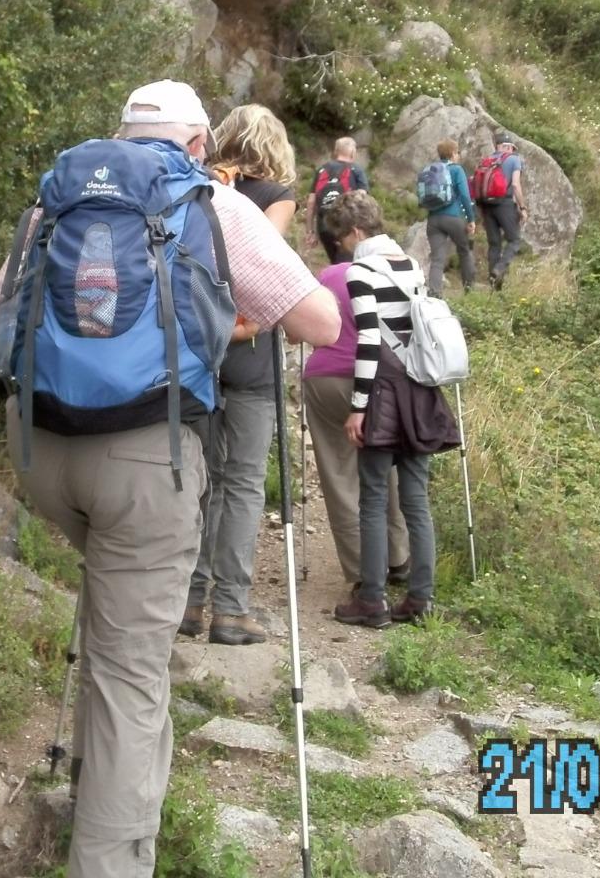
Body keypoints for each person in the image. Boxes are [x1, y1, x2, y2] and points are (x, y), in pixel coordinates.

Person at [0, 79, 338, 878]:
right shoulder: (214, 205)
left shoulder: (54, 203)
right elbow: (320, 321)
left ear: (120, 135)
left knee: (114, 628)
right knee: (129, 673)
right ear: (199, 145)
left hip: (40, 451)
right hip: (144, 458)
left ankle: (95, 789)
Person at [181, 105, 298, 646]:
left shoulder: (199, 187)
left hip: (201, 349)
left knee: (202, 478)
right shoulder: (276, 196)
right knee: (245, 482)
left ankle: (189, 602)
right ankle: (230, 611)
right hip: (250, 353)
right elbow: (263, 266)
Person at [326, 191, 460, 629]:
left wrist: (358, 407)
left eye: (343, 238)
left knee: (373, 497)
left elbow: (369, 341)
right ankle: (421, 598)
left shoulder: (361, 271)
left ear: (356, 232)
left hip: (383, 391)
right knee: (416, 500)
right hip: (419, 388)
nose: (343, 247)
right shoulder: (411, 265)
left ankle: (372, 599)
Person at [302, 251, 413, 597]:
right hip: (380, 378)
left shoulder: (327, 276)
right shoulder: (392, 273)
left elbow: (302, 329)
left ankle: (364, 573)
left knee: (340, 475)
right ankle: (399, 557)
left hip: (326, 378)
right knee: (385, 467)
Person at [474, 130, 528, 291]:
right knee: (514, 240)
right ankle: (499, 269)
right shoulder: (514, 159)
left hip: (486, 205)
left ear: (497, 146)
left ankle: (495, 287)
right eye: (511, 147)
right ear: (509, 147)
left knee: (494, 244)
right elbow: (516, 185)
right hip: (504, 204)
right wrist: (522, 207)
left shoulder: (487, 160)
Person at [424, 138, 478, 298]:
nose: (458, 155)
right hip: (453, 218)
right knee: (464, 251)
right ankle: (469, 292)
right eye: (458, 152)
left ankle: (434, 294)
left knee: (437, 259)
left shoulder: (430, 170)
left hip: (433, 219)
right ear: (453, 153)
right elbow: (465, 196)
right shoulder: (456, 170)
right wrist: (471, 219)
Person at [305, 136, 369, 263]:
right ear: (353, 152)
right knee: (348, 263)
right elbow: (362, 198)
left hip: (324, 227)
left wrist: (310, 231)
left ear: (336, 151)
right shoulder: (356, 170)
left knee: (336, 261)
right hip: (347, 226)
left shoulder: (322, 169)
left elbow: (311, 202)